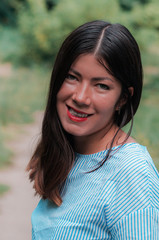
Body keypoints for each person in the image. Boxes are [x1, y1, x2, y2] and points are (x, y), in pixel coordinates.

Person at [27, 20, 159, 239]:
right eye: (72, 77)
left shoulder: (131, 174)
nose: (80, 97)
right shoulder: (70, 152)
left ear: (123, 98)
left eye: (102, 86)